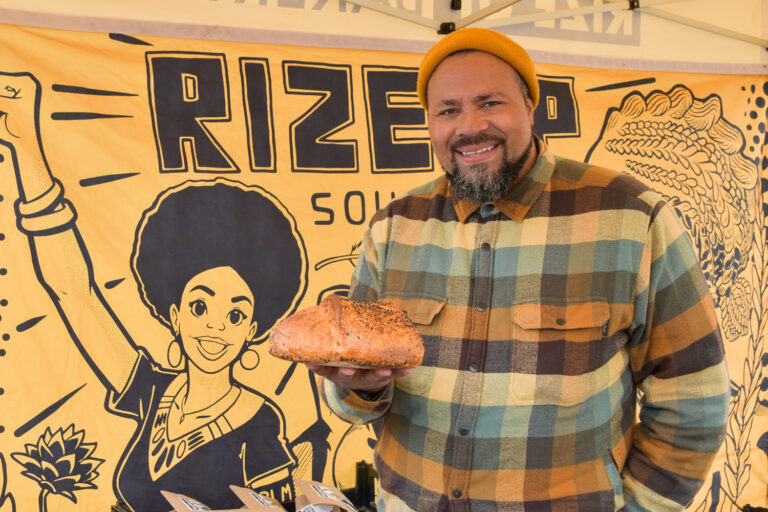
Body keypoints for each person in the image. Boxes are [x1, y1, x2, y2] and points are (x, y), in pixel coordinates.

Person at [308, 27, 730, 511]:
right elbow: (348, 402)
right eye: (448, 110)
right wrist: (362, 389)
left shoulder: (631, 217)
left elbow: (693, 397)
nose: (469, 126)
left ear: (530, 106)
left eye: (490, 103)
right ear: (429, 123)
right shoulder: (393, 228)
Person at [0, 72, 309, 511]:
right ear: (174, 313)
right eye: (200, 305)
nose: (216, 327)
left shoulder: (259, 420)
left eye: (237, 315)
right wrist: (26, 142)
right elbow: (74, 292)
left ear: (253, 330)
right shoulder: (150, 391)